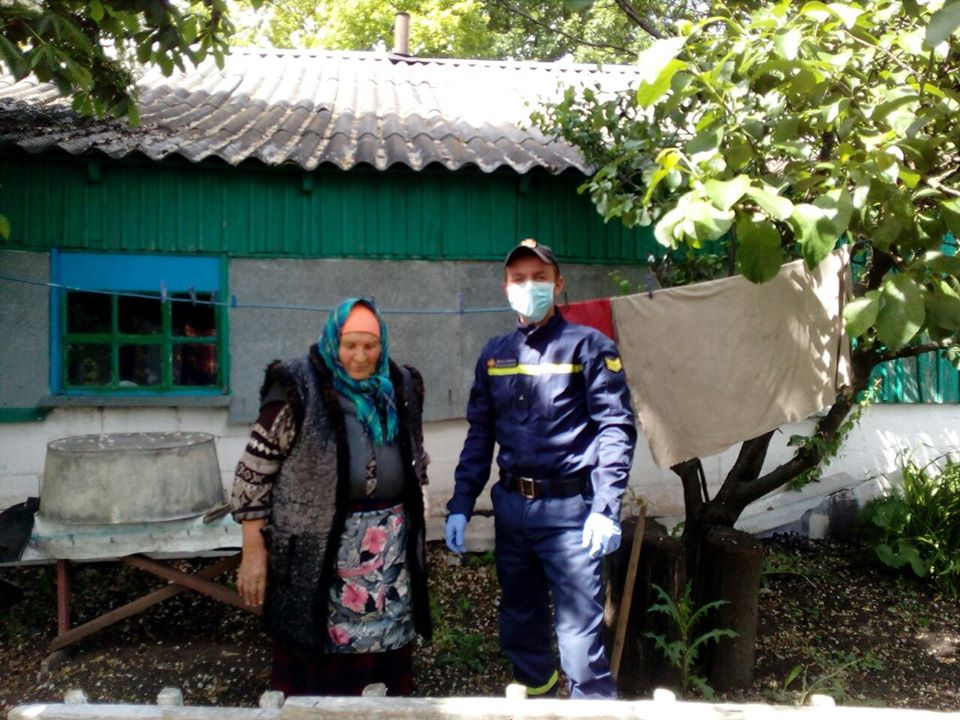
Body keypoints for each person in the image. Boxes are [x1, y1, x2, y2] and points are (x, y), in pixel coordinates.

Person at [444, 239, 637, 699]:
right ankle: (537, 694)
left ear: (558, 284)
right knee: (519, 619)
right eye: (519, 279)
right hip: (512, 510)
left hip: (571, 513)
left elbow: (615, 428)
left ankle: (590, 704)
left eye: (539, 278)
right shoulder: (495, 354)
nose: (529, 286)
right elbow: (479, 436)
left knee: (577, 635)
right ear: (505, 287)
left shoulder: (589, 346)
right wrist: (460, 503)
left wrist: (606, 506)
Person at [230, 297, 431, 697]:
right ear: (332, 342)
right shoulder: (296, 387)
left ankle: (381, 705)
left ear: (383, 345)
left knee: (385, 647)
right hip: (319, 545)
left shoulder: (400, 386)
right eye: (349, 345)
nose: (360, 356)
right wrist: (253, 549)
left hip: (387, 549)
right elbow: (254, 472)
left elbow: (414, 453)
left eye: (369, 346)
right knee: (315, 644)